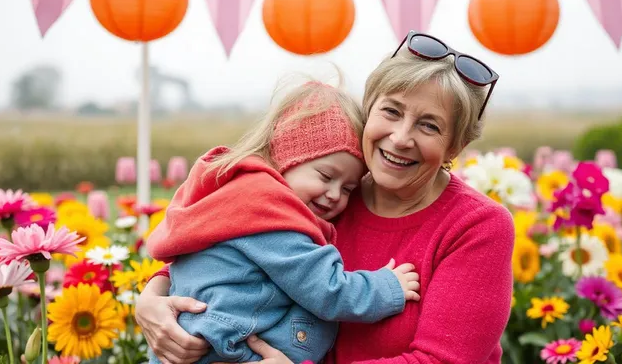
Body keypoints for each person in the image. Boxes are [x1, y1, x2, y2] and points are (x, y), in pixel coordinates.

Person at [136, 31, 514, 364]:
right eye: (391, 111)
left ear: (456, 145)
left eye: (429, 125)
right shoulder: (322, 195)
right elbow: (233, 253)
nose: (400, 137)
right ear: (369, 111)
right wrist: (152, 299)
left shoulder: (476, 225)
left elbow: (443, 361)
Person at [144, 81, 421, 364]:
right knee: (316, 320)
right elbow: (328, 291)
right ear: (287, 159)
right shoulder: (273, 216)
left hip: (199, 333)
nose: (335, 194)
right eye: (326, 176)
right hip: (222, 344)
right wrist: (387, 288)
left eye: (348, 188)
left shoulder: (237, 194)